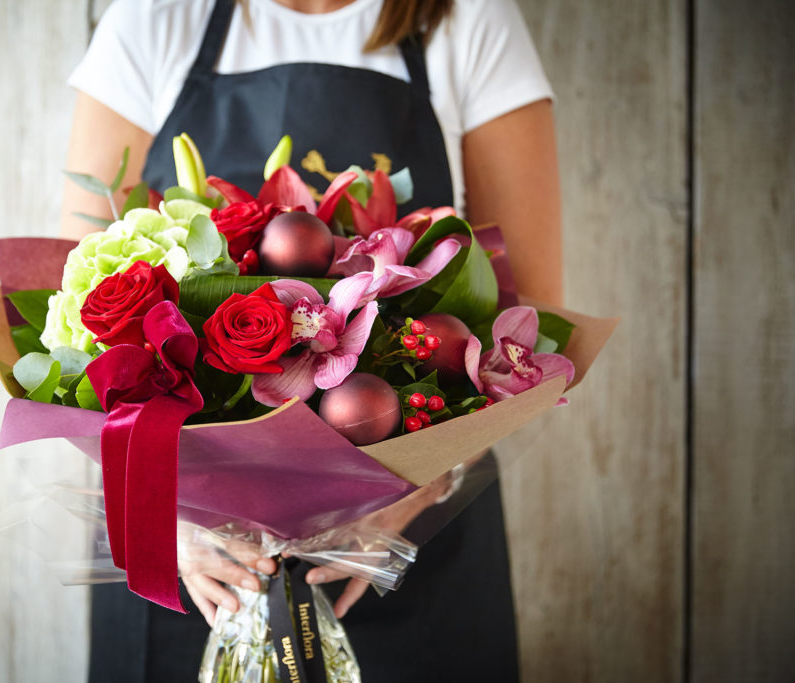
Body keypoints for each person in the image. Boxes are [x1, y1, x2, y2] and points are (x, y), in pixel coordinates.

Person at [61, 0, 562, 680]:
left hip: (404, 549)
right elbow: (80, 318)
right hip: (196, 565)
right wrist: (166, 516)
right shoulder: (155, 18)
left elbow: (531, 319)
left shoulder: (466, 19)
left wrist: (426, 482)